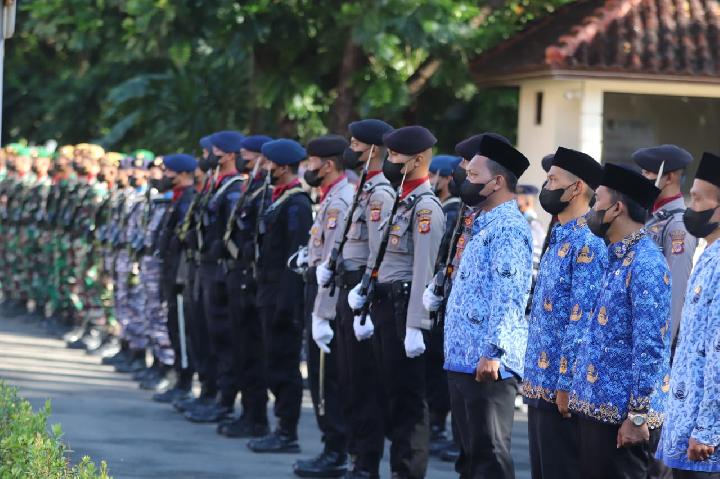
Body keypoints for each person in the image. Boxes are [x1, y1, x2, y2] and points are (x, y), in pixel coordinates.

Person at [349, 125, 445, 479]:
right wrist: (365, 290)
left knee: (407, 404)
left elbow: (423, 269)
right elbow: (380, 254)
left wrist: (416, 325)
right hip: (385, 304)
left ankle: (406, 473)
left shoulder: (425, 208)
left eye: (395, 156)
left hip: (405, 307)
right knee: (387, 395)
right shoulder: (402, 200)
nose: (389, 161)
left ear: (418, 160)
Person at [569, 163, 671, 479]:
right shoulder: (616, 257)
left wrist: (638, 415)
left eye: (596, 200)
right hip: (597, 410)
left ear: (616, 208)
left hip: (623, 419)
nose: (590, 209)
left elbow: (650, 345)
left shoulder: (646, 262)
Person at [443, 134, 532, 479]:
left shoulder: (508, 228)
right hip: (464, 355)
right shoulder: (482, 222)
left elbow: (509, 295)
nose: (466, 180)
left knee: (489, 455)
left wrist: (494, 351)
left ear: (497, 182)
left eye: (474, 176)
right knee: (469, 455)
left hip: (487, 361)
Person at [522, 147, 607, 479]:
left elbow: (582, 318)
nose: (547, 186)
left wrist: (566, 383)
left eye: (553, 180)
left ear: (577, 188)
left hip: (561, 385)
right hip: (538, 380)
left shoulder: (588, 240)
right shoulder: (559, 235)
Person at [327, 119, 395, 479]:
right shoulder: (361, 190)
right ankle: (355, 457)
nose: (349, 149)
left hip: (361, 291)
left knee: (364, 383)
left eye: (355, 144)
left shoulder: (381, 194)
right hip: (346, 286)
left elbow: (377, 252)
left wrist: (365, 298)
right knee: (347, 379)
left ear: (371, 150)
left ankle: (366, 462)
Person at [657, 151, 720, 479]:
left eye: (697, 199)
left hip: (706, 441)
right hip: (686, 424)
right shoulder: (709, 253)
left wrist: (709, 428)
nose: (690, 207)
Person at [248, 139, 313, 453]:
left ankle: (287, 432)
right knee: (272, 362)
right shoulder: (277, 199)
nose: (264, 169)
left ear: (283, 167)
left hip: (282, 298)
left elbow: (295, 258)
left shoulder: (297, 205)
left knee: (284, 366)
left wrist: (286, 305)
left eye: (269, 164)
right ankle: (279, 428)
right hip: (268, 291)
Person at [294, 134, 353, 477]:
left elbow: (334, 261)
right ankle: (331, 446)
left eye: (311, 162)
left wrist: (322, 312)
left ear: (327, 165)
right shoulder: (329, 197)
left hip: (326, 300)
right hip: (317, 293)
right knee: (320, 378)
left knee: (325, 379)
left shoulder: (340, 199)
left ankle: (336, 450)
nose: (307, 168)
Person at [217, 135, 273, 438]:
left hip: (252, 280)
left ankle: (258, 418)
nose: (243, 160)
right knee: (242, 349)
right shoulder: (251, 187)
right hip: (238, 276)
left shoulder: (266, 191)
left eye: (248, 157)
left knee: (254, 352)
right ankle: (248, 412)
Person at [187, 130, 244, 423]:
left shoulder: (234, 187)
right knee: (202, 333)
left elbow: (229, 232)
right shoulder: (215, 184)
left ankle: (223, 399)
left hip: (219, 270)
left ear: (229, 155)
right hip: (203, 268)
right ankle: (208, 391)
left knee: (220, 337)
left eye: (213, 151)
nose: (207, 157)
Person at [633, 145, 697, 355]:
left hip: (655, 345)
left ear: (667, 177)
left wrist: (660, 349)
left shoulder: (678, 226)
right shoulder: (652, 216)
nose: (642, 178)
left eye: (647, 173)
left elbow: (675, 290)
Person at [153, 153, 198, 403]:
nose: (165, 177)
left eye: (169, 173)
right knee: (174, 327)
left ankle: (185, 383)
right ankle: (180, 379)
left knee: (182, 331)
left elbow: (183, 241)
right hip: (172, 273)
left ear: (182, 174)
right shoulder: (178, 199)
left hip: (181, 275)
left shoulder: (188, 200)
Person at [425, 154, 462, 454]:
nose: (430, 182)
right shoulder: (445, 209)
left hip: (449, 301)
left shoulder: (451, 212)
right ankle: (435, 422)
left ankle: (438, 423)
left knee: (440, 367)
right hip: (438, 297)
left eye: (434, 176)